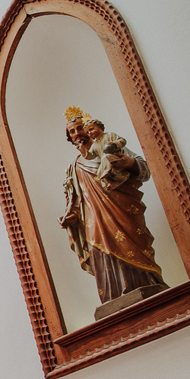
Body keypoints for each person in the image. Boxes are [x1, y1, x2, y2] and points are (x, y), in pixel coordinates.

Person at [58, 106, 166, 306]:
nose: (77, 134)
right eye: (72, 131)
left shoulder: (108, 144)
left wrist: (130, 164)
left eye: (80, 128)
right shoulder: (74, 167)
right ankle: (113, 298)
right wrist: (71, 216)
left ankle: (146, 283)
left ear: (89, 128)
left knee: (130, 243)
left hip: (122, 210)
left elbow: (144, 169)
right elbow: (75, 197)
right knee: (101, 253)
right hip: (94, 220)